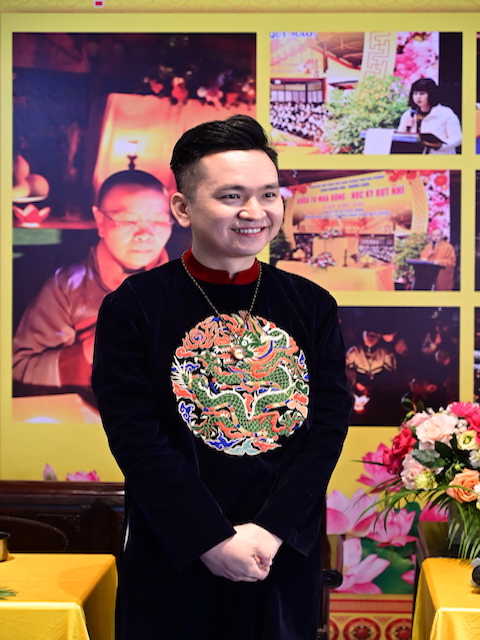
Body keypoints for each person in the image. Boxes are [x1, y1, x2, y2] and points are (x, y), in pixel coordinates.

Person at [92, 115, 351, 640]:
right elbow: (135, 437)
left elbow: (326, 428)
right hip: (177, 550)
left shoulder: (312, 305)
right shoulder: (135, 307)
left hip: (278, 552)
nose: (255, 212)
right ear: (183, 207)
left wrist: (271, 529)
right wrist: (209, 538)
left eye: (268, 194)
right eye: (232, 196)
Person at [13, 170, 172, 397]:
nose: (145, 234)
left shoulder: (187, 284)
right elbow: (19, 370)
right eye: (128, 220)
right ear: (100, 220)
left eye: (159, 220)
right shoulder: (67, 288)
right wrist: (89, 350)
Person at [397, 78, 462, 154]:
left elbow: (457, 138)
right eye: (415, 93)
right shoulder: (408, 114)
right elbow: (399, 137)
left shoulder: (445, 113)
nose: (418, 97)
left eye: (422, 93)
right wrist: (406, 129)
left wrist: (440, 146)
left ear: (431, 94)